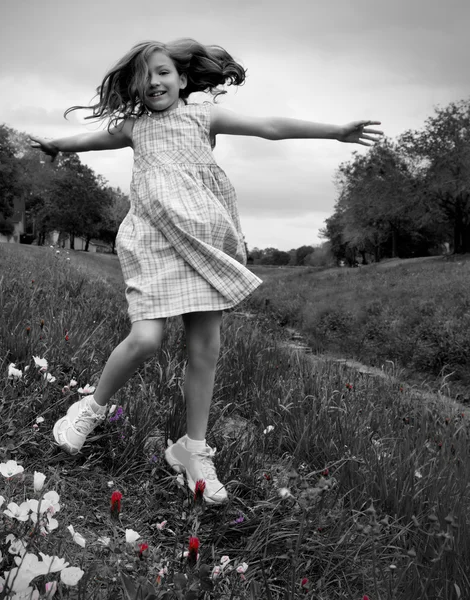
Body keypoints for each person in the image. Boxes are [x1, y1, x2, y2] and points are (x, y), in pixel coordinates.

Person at [29, 38, 382, 505]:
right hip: (152, 241)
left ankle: (191, 449)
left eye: (162, 72)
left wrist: (336, 131)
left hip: (202, 240)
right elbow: (86, 142)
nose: (154, 82)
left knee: (205, 348)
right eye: (145, 76)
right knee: (147, 339)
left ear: (181, 77)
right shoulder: (135, 127)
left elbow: (271, 127)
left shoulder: (203, 116)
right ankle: (90, 408)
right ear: (134, 86)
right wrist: (55, 144)